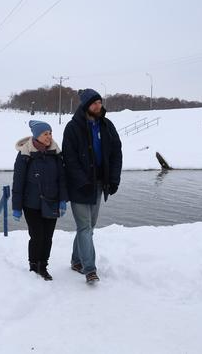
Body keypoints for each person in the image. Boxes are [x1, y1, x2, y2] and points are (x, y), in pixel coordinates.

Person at [62, 89, 122, 283]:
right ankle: (90, 269)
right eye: (94, 103)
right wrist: (82, 182)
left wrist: (113, 179)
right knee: (85, 227)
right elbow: (69, 159)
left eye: (100, 102)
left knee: (88, 227)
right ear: (86, 105)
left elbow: (116, 154)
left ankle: (76, 260)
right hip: (79, 186)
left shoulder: (106, 125)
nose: (99, 106)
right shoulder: (73, 128)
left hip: (98, 184)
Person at [11, 120, 68, 281]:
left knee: (48, 237)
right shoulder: (25, 154)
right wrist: (17, 206)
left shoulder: (56, 153)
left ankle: (43, 266)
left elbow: (62, 179)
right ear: (37, 136)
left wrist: (63, 199)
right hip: (32, 204)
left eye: (50, 133)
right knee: (37, 236)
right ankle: (33, 265)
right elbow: (18, 181)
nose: (49, 137)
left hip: (52, 202)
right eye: (45, 134)